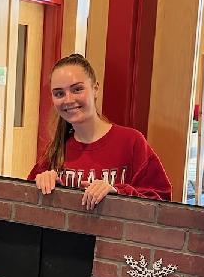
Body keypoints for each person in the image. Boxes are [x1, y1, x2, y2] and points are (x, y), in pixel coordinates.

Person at [28, 53, 171, 204]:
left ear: (95, 89)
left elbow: (162, 200)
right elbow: (25, 201)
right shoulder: (55, 150)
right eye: (59, 93)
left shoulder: (131, 142)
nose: (68, 99)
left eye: (77, 89)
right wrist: (41, 186)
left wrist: (118, 193)